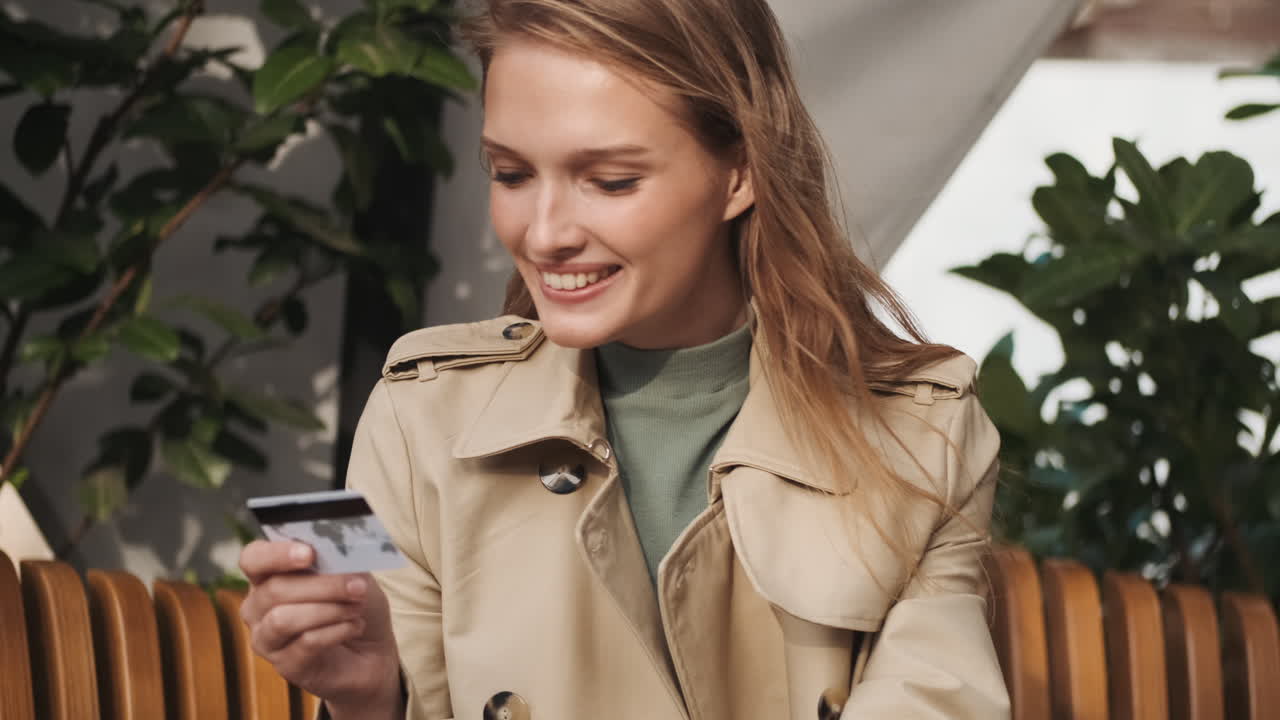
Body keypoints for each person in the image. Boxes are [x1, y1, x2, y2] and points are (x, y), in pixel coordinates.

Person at [238, 0, 1009, 718]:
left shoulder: (921, 433)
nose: (543, 235)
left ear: (739, 171)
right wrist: (374, 694)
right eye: (510, 174)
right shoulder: (425, 417)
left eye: (610, 181)